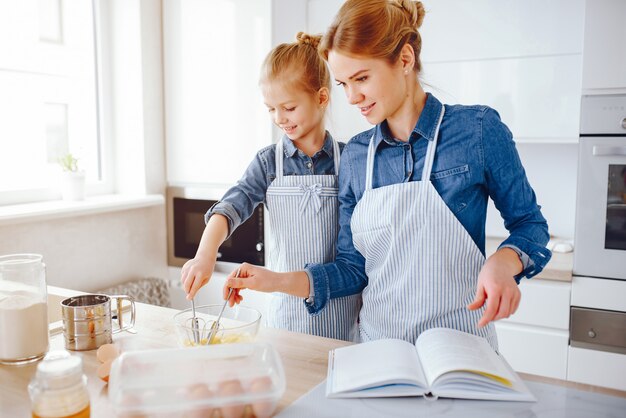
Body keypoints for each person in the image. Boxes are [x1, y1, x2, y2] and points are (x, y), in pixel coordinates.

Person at [223, 0, 552, 349]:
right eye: (343, 84)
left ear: (405, 60)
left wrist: (504, 262)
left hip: (462, 345)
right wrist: (272, 281)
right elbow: (352, 270)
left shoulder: (478, 130)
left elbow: (530, 225)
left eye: (361, 78)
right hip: (380, 350)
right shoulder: (356, 158)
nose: (352, 97)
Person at [180, 32, 361, 341]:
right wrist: (205, 254)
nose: (279, 118)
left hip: (341, 316)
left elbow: (356, 258)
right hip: (285, 317)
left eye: (289, 108)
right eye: (271, 109)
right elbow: (230, 207)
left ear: (321, 97)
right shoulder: (267, 163)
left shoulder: (351, 160)